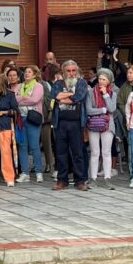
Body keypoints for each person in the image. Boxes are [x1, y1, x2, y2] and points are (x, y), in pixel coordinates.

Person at [51, 60, 90, 190]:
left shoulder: (82, 83)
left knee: (78, 152)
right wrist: (70, 97)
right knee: (61, 152)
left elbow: (79, 97)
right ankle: (62, 180)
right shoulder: (57, 83)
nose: (71, 73)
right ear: (63, 71)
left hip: (76, 122)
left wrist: (64, 98)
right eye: (68, 71)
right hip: (60, 122)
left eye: (74, 70)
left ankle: (80, 180)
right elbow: (55, 95)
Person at [85, 68, 118, 186]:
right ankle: (93, 178)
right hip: (93, 124)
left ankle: (107, 177)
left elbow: (112, 109)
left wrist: (105, 95)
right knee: (94, 152)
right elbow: (89, 110)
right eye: (99, 78)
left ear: (109, 81)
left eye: (104, 79)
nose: (101, 81)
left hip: (108, 125)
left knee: (106, 152)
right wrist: (102, 110)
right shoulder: (90, 92)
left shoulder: (113, 93)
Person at [14, 65, 45, 183]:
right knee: (22, 145)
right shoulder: (19, 86)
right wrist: (24, 97)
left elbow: (34, 100)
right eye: (26, 72)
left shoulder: (38, 86)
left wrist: (20, 99)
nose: (27, 74)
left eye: (29, 72)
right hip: (20, 119)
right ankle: (25, 173)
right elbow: (14, 100)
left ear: (34, 74)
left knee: (34, 146)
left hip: (32, 119)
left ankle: (38, 172)